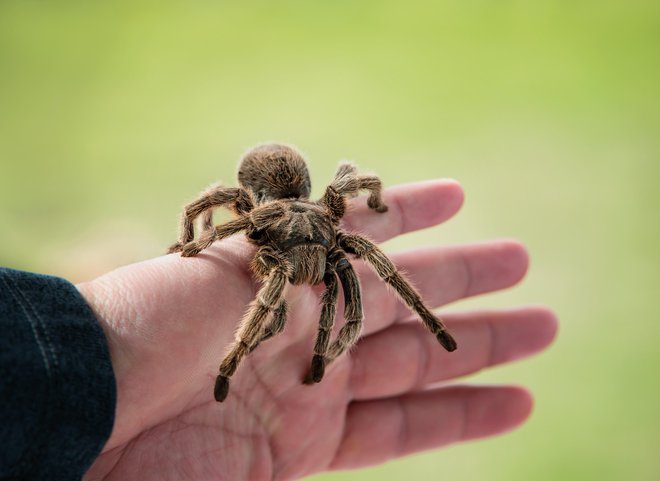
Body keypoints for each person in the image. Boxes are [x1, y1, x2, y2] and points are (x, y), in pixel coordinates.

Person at [0, 179, 557, 481]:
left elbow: (367, 233)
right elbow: (210, 205)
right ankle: (232, 362)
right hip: (275, 228)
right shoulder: (255, 218)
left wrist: (424, 317)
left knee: (354, 292)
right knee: (279, 294)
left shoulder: (334, 232)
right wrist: (192, 245)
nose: (318, 270)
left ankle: (346, 349)